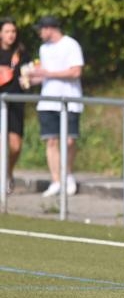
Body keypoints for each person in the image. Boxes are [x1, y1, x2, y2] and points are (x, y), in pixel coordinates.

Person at [28, 15, 84, 197]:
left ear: (50, 28)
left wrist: (48, 73)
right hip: (47, 100)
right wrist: (31, 78)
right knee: (51, 141)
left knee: (69, 140)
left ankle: (68, 175)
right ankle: (56, 180)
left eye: (41, 29)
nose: (39, 33)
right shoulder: (44, 48)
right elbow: (46, 75)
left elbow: (76, 71)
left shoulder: (70, 45)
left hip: (69, 100)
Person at [0, 17, 31, 194]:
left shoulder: (20, 54)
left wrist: (29, 78)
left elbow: (27, 78)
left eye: (13, 31)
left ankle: (8, 172)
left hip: (16, 103)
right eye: (7, 31)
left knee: (15, 146)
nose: (11, 35)